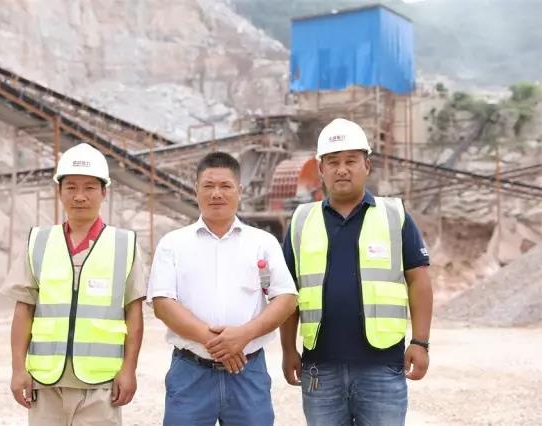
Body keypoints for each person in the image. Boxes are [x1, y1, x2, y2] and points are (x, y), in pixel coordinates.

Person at [280, 118, 433, 426]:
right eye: (333, 162)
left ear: (367, 165)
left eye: (351, 161)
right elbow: (287, 293)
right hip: (320, 368)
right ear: (321, 169)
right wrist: (287, 350)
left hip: (382, 368)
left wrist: (420, 342)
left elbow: (419, 281)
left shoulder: (395, 215)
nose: (342, 169)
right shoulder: (301, 221)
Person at [147, 151, 298, 426]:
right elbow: (163, 304)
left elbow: (286, 298)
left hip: (247, 371)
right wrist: (219, 344)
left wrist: (244, 335)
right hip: (191, 373)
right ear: (196, 190)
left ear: (239, 191)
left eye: (225, 186)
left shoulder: (262, 243)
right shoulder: (173, 243)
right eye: (208, 186)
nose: (217, 193)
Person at [1, 142, 145, 426]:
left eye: (89, 187)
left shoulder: (124, 245)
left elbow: (134, 313)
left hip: (101, 383)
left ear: (104, 192)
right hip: (45, 380)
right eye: (71, 187)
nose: (80, 196)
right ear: (59, 191)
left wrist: (129, 370)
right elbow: (24, 310)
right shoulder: (38, 242)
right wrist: (18, 369)